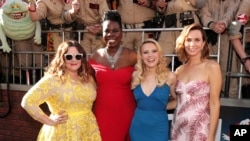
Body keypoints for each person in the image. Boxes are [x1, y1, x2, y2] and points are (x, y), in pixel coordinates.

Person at [21, 40, 101, 141]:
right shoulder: (52, 80)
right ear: (61, 58)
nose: (73, 60)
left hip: (88, 130)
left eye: (77, 56)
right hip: (63, 133)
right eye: (68, 57)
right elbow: (27, 101)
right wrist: (49, 121)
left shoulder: (88, 78)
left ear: (82, 58)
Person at [88, 10, 137, 141]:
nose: (111, 34)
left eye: (115, 30)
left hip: (127, 113)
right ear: (102, 33)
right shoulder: (95, 57)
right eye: (106, 31)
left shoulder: (132, 56)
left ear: (122, 33)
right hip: (102, 113)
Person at [171, 23, 221, 141]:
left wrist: (211, 136)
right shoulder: (179, 70)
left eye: (197, 40)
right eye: (188, 40)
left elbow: (214, 103)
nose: (192, 44)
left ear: (203, 43)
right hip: (178, 129)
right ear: (183, 43)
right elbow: (178, 101)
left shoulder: (212, 67)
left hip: (200, 130)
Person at [129, 39, 177, 141]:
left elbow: (178, 100)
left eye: (154, 51)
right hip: (138, 128)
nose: (150, 55)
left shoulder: (170, 76)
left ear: (159, 54)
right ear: (141, 56)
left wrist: (161, 106)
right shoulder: (136, 76)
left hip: (159, 129)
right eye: (146, 52)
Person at [200, 0, 241, 98]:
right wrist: (211, 25)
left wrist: (223, 24)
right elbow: (203, 13)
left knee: (230, 71)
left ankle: (232, 104)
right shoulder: (207, 1)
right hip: (210, 38)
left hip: (228, 37)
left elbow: (232, 11)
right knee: (208, 72)